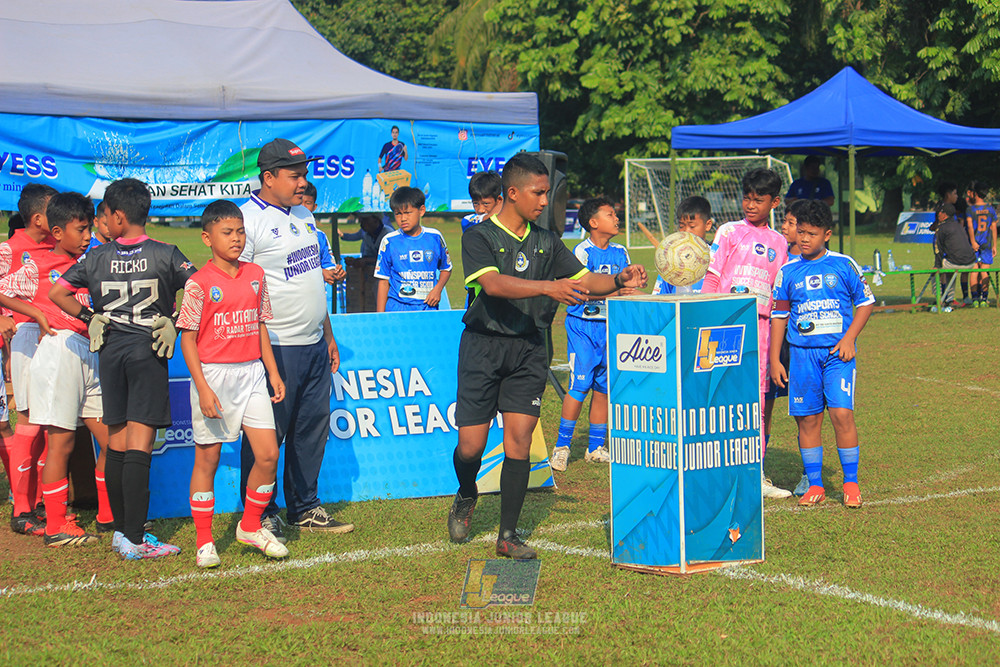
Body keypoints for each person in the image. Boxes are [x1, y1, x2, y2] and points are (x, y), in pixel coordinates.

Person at [447, 153, 647, 559]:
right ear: (513, 192)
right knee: (470, 447)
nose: (545, 201)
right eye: (538, 193)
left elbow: (584, 280)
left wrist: (617, 279)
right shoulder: (479, 236)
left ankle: (508, 535)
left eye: (547, 193)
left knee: (519, 441)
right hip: (483, 347)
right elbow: (493, 285)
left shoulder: (547, 241)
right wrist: (547, 288)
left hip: (529, 349)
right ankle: (466, 493)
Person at [51, 177, 195, 560]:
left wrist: (89, 317)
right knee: (140, 445)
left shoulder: (96, 256)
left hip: (110, 353)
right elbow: (201, 289)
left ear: (116, 216)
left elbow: (57, 292)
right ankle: (135, 538)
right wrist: (175, 321)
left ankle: (120, 532)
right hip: (148, 351)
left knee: (115, 442)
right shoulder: (166, 252)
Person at [238, 138, 353, 542]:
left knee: (311, 429)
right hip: (275, 347)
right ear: (268, 178)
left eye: (304, 174)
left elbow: (310, 282)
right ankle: (261, 512)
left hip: (314, 342)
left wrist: (328, 334)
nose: (303, 182)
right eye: (294, 175)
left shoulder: (305, 215)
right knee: (267, 434)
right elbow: (241, 290)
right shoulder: (247, 220)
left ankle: (304, 506)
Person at [178, 200, 289, 568]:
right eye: (227, 232)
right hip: (214, 376)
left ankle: (251, 526)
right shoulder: (198, 284)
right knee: (208, 458)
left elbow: (260, 326)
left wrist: (272, 371)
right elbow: (187, 339)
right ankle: (205, 540)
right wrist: (203, 387)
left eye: (240, 231)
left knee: (268, 455)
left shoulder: (256, 274)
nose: (236, 238)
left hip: (252, 373)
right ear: (207, 238)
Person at [0, 192, 110, 546]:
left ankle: (71, 510)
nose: (87, 235)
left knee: (67, 433)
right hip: (39, 342)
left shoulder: (81, 257)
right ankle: (28, 510)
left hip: (77, 347)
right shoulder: (21, 254)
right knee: (34, 426)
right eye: (81, 229)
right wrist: (30, 313)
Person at [770, 199, 875, 508]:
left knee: (842, 414)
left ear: (827, 234)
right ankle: (815, 484)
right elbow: (779, 316)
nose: (804, 239)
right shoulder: (787, 271)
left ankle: (851, 483)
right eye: (801, 232)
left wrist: (849, 338)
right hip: (802, 357)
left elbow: (865, 302)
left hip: (837, 356)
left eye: (812, 234)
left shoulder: (843, 265)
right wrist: (775, 359)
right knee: (807, 420)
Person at [701, 168, 791, 499]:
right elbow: (712, 276)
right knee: (719, 397)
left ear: (774, 202)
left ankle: (756, 474)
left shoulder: (780, 243)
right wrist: (708, 320)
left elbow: (781, 291)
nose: (751, 205)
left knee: (760, 403)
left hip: (762, 329)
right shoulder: (729, 231)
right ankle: (715, 472)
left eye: (759, 200)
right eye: (747, 198)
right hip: (724, 326)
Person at [549, 197, 633, 473]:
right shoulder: (582, 252)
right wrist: (616, 291)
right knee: (580, 385)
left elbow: (628, 288)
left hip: (611, 327)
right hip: (583, 327)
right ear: (593, 223)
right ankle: (562, 447)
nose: (616, 218)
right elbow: (580, 290)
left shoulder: (621, 252)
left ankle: (596, 447)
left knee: (604, 388)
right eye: (610, 214)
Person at [5, 183, 56, 536]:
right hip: (27, 338)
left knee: (53, 423)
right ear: (38, 218)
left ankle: (41, 500)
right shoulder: (9, 250)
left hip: (57, 339)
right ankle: (21, 508)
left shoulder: (58, 245)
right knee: (28, 419)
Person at [769, 200, 807, 496]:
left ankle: (809, 473)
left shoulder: (809, 262)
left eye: (791, 223)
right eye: (785, 221)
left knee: (804, 411)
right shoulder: (774, 254)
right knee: (763, 406)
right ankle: (757, 469)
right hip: (772, 341)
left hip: (801, 346)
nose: (784, 226)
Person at [374, 186, 452, 312]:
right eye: (398, 214)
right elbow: (383, 281)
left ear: (421, 211)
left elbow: (446, 268)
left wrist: (438, 289)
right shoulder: (389, 241)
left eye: (407, 213)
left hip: (427, 307)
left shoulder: (435, 237)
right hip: (397, 307)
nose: (403, 218)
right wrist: (380, 316)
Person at [651, 196, 714, 295]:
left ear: (708, 225)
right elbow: (660, 298)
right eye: (682, 226)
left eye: (692, 226)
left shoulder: (717, 258)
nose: (686, 231)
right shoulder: (670, 259)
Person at [301, 181, 346, 286]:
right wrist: (320, 273)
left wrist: (336, 273)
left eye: (308, 203)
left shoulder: (320, 236)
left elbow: (328, 265)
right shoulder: (283, 232)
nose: (303, 207)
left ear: (314, 207)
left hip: (314, 293)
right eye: (300, 202)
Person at [934, 202, 976, 307]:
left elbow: (938, 249)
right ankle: (950, 299)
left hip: (957, 263)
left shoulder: (942, 227)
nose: (938, 214)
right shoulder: (958, 225)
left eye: (939, 212)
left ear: (944, 214)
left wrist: (937, 266)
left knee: (936, 272)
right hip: (971, 262)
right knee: (949, 269)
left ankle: (939, 298)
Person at [964, 181, 997, 306]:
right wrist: (994, 245)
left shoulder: (970, 209)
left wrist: (973, 241)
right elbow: (993, 227)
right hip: (987, 244)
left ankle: (975, 299)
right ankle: (984, 298)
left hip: (974, 244)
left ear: (975, 193)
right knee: (984, 271)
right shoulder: (990, 209)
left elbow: (970, 226)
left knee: (974, 271)